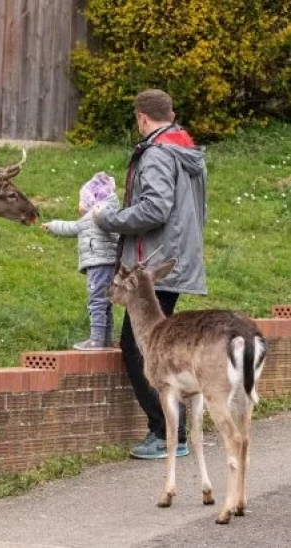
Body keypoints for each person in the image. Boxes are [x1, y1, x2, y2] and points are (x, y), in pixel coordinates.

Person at [92, 89, 208, 460]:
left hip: (155, 265)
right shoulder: (186, 150)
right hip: (176, 257)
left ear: (142, 117)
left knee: (138, 347)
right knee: (162, 348)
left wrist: (107, 218)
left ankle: (165, 433)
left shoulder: (158, 153)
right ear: (170, 114)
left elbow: (155, 209)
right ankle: (174, 431)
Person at [42, 172, 119, 351]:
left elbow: (71, 227)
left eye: (81, 200)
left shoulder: (93, 218)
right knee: (106, 302)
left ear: (90, 200)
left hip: (98, 265)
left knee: (96, 301)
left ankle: (96, 340)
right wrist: (52, 225)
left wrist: (52, 225)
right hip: (110, 264)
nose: (79, 205)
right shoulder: (110, 215)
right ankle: (106, 339)